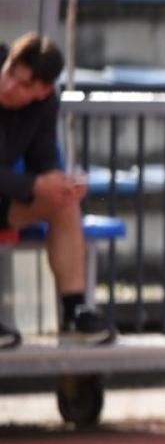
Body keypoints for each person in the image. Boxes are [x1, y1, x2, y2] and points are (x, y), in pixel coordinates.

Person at [0, 32, 116, 349]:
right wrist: (34, 184)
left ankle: (75, 310)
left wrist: (62, 183)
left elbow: (42, 157)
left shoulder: (45, 106)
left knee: (61, 203)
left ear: (43, 91)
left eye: (23, 85)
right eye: (9, 73)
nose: (9, 86)